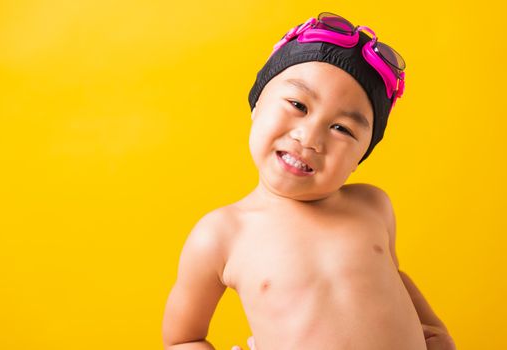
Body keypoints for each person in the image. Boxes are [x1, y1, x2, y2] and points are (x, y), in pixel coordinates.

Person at [162, 11, 456, 350]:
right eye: (298, 105)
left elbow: (394, 275)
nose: (310, 138)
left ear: (360, 158)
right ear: (257, 105)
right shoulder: (221, 234)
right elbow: (183, 339)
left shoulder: (373, 205)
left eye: (342, 129)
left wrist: (434, 328)